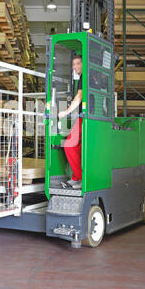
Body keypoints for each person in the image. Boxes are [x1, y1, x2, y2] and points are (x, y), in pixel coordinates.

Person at [58, 55, 83, 189]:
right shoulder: (86, 77)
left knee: (69, 145)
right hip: (85, 117)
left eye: (78, 63)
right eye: (73, 64)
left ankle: (79, 178)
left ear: (84, 63)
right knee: (77, 148)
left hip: (84, 118)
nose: (75, 67)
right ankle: (77, 177)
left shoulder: (85, 76)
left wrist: (66, 112)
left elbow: (79, 96)